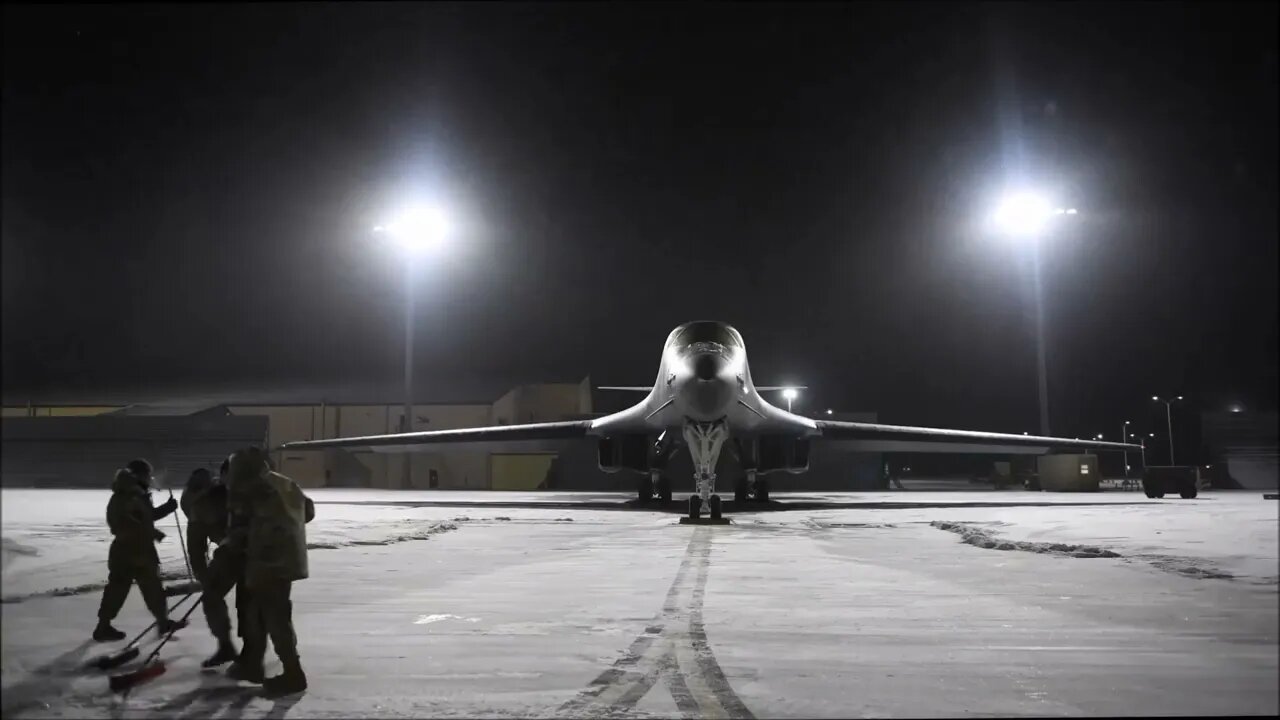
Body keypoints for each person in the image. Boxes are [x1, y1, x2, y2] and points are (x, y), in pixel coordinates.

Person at [223, 447, 315, 695]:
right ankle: (254, 665)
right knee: (267, 614)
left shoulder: (251, 490)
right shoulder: (284, 483)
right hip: (288, 559)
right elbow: (308, 511)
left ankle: (293, 674)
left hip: (267, 562)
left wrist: (232, 547)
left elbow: (239, 531)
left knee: (274, 618)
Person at [93, 458, 188, 642]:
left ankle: (162, 621)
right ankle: (103, 627)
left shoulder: (132, 494)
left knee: (152, 589)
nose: (150, 479)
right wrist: (153, 530)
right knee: (119, 590)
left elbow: (144, 518)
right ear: (139, 475)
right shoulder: (128, 496)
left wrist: (165, 511)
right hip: (130, 551)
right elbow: (132, 523)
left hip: (138, 550)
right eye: (147, 475)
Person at [180, 464, 242, 667]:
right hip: (232, 555)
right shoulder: (204, 504)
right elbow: (196, 547)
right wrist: (204, 577)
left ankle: (251, 653)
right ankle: (228, 647)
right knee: (213, 598)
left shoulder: (255, 495)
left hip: (257, 555)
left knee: (254, 603)